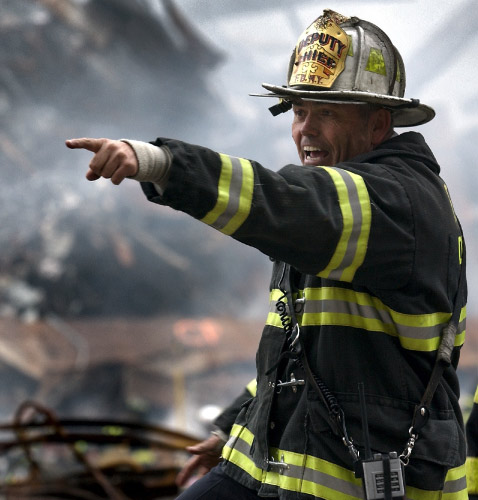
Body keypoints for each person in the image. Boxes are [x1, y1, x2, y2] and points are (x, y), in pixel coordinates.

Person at [66, 9, 467, 500]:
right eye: (299, 112)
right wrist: (238, 424)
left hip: (358, 483)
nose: (306, 130)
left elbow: (283, 200)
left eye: (327, 112)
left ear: (377, 123)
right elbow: (303, 350)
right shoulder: (344, 204)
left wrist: (162, 163)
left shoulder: (395, 203)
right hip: (281, 466)